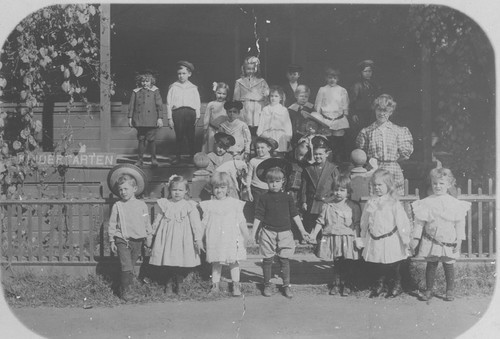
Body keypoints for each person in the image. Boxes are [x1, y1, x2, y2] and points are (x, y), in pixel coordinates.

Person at [410, 168, 471, 302]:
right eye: (435, 183)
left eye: (441, 183)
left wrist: (460, 240)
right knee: (431, 264)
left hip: (448, 239)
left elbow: (460, 223)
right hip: (431, 239)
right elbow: (419, 222)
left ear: (449, 185)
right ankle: (429, 289)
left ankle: (450, 290)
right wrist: (415, 238)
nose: (438, 186)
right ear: (431, 184)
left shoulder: (454, 203)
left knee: (448, 264)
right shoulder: (426, 202)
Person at [252, 163, 310, 298]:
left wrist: (302, 231)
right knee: (267, 259)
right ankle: (267, 284)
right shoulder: (264, 198)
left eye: (277, 181)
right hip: (268, 232)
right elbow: (258, 215)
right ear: (266, 182)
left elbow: (294, 214)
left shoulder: (288, 197)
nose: (274, 184)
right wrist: (253, 232)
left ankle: (286, 285)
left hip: (284, 232)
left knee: (284, 259)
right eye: (271, 181)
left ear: (283, 182)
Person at [359, 169, 411, 298]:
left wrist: (405, 239)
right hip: (375, 238)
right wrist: (363, 235)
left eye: (380, 185)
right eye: (374, 185)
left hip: (390, 238)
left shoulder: (394, 203)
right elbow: (365, 220)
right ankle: (380, 284)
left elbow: (402, 222)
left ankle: (396, 285)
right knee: (378, 262)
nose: (377, 188)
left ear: (388, 185)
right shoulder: (371, 202)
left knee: (394, 264)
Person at [149, 175, 204, 294]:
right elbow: (157, 219)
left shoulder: (189, 205)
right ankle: (168, 284)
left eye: (180, 190)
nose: (177, 193)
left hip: (183, 238)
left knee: (181, 260)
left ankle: (180, 284)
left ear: (186, 191)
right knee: (167, 259)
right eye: (174, 190)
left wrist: (198, 238)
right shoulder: (165, 204)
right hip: (167, 237)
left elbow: (196, 224)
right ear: (170, 191)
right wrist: (152, 233)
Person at [308, 175, 361, 296]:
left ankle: (347, 285)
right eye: (336, 190)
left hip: (348, 238)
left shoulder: (353, 206)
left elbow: (357, 224)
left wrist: (357, 239)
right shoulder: (327, 206)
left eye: (342, 190)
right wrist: (313, 235)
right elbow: (320, 221)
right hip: (334, 237)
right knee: (337, 261)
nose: (338, 193)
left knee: (348, 262)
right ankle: (336, 284)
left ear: (348, 191)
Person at [199, 172, 249, 297]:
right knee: (216, 261)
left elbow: (241, 221)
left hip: (231, 237)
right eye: (216, 187)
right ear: (212, 189)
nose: (219, 190)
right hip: (215, 238)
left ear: (228, 188)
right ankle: (215, 285)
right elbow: (203, 224)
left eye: (222, 187)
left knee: (234, 261)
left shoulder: (234, 203)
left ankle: (236, 284)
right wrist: (199, 238)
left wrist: (247, 236)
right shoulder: (209, 205)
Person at [355, 94, 413, 195]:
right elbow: (362, 153)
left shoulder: (399, 131)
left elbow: (405, 155)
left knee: (395, 201)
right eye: (379, 110)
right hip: (375, 170)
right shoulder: (367, 132)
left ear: (390, 112)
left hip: (393, 170)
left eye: (385, 111)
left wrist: (392, 162)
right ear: (375, 110)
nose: (382, 113)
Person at [108, 174, 153, 301]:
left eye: (126, 189)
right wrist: (112, 240)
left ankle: (126, 287)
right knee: (126, 265)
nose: (123, 192)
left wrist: (148, 235)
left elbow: (146, 221)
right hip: (122, 239)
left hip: (137, 240)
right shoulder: (118, 205)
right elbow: (112, 223)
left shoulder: (142, 205)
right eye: (121, 189)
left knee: (130, 266)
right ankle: (125, 293)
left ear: (134, 189)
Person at [300, 135, 340, 237]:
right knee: (311, 222)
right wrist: (304, 201)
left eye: (320, 154)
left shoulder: (333, 168)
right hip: (312, 202)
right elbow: (304, 187)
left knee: (325, 224)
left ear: (327, 154)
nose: (318, 156)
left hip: (327, 202)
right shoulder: (309, 169)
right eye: (316, 154)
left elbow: (337, 186)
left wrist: (334, 200)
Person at [166, 60, 201, 164]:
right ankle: (178, 157)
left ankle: (191, 157)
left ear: (189, 74)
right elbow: (168, 103)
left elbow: (197, 102)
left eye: (184, 73)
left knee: (190, 136)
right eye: (179, 74)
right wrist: (169, 118)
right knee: (179, 136)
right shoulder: (173, 87)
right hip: (178, 113)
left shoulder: (193, 88)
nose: (181, 76)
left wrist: (197, 115)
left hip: (190, 113)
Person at [127, 70, 164, 167]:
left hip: (151, 119)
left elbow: (159, 105)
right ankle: (140, 160)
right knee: (141, 139)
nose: (145, 83)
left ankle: (153, 159)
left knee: (151, 140)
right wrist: (130, 118)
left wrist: (160, 118)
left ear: (151, 81)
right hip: (139, 119)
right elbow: (131, 105)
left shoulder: (155, 91)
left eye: (147, 81)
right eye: (143, 81)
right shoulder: (136, 91)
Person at [313, 66, 350, 162]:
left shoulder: (342, 90)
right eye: (330, 77)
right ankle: (327, 160)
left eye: (334, 78)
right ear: (326, 78)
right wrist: (318, 117)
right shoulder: (322, 89)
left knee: (338, 141)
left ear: (338, 79)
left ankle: (338, 160)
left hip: (338, 118)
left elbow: (345, 104)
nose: (332, 80)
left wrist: (345, 115)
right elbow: (318, 104)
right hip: (326, 118)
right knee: (327, 140)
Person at [233, 56, 269, 135]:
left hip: (258, 107)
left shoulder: (262, 81)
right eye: (248, 69)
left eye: (253, 69)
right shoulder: (239, 82)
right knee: (245, 127)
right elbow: (236, 98)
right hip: (245, 107)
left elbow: (266, 95)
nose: (251, 71)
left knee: (257, 128)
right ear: (244, 69)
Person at [256, 86, 293, 156]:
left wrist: (288, 138)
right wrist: (260, 134)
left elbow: (288, 126)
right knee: (268, 154)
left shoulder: (283, 110)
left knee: (279, 154)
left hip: (280, 136)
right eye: (271, 96)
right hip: (267, 135)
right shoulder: (265, 109)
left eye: (276, 96)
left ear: (281, 98)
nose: (273, 98)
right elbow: (261, 123)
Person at [349, 60, 382, 130]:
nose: (368, 73)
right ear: (361, 72)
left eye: (369, 71)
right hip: (361, 113)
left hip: (372, 113)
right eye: (365, 71)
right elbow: (352, 101)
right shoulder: (357, 85)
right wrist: (353, 114)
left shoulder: (375, 85)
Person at [202, 82, 229, 153]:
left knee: (222, 146)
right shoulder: (211, 104)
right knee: (211, 146)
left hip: (223, 130)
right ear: (215, 93)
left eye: (224, 94)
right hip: (212, 129)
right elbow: (207, 117)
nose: (221, 96)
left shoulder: (227, 105)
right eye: (219, 93)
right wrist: (205, 130)